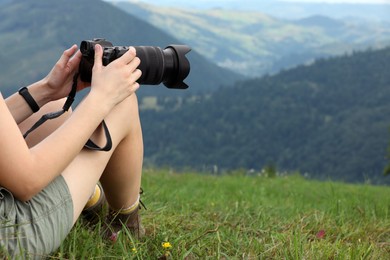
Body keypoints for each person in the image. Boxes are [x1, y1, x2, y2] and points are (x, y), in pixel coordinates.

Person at [0, 43, 144, 258]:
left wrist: (46, 90)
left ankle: (91, 197)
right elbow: (26, 181)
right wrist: (103, 98)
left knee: (51, 109)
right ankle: (125, 226)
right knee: (120, 104)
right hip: (12, 233)